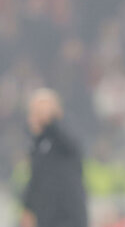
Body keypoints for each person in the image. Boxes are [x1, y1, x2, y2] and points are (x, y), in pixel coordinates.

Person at [21, 88, 87, 227]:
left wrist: (51, 120)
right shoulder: (38, 145)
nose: (35, 117)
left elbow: (72, 144)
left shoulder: (66, 133)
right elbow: (35, 181)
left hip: (69, 216)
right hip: (46, 217)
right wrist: (28, 208)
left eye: (40, 112)